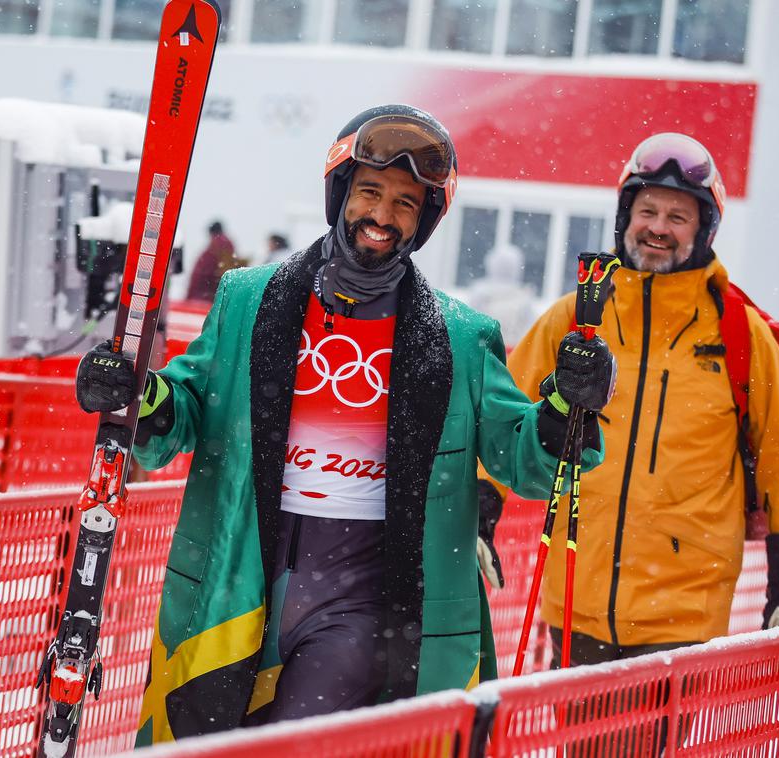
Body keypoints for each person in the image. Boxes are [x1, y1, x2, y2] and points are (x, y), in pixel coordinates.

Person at [74, 104, 614, 743]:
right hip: (239, 573)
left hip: (362, 594)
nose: (383, 217)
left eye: (406, 204)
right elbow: (189, 408)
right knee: (206, 740)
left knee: (299, 742)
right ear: (340, 193)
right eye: (370, 192)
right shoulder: (251, 299)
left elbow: (521, 456)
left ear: (426, 219)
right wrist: (139, 397)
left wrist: (564, 408)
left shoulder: (461, 339)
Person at [478, 132, 779, 667]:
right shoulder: (576, 319)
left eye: (678, 217)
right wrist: (480, 507)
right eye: (648, 210)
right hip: (576, 595)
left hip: (684, 614)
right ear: (625, 217)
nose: (659, 227)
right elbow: (504, 416)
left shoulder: (741, 333)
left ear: (704, 230)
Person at [463, 242, 539, 347]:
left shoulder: (480, 293)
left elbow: (469, 327)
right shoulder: (524, 296)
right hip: (511, 355)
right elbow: (531, 333)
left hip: (483, 352)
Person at [185, 219, 244, 302]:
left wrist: (190, 296)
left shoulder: (215, 246)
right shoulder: (228, 246)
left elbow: (203, 272)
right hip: (217, 295)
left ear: (212, 233)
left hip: (203, 295)